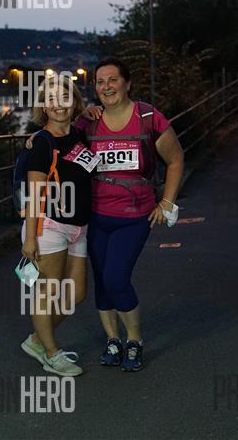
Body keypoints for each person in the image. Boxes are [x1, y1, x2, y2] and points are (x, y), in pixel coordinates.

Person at [81, 57, 184, 371]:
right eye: (100, 82)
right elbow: (57, 139)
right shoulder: (88, 122)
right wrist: (35, 140)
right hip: (95, 216)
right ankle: (113, 340)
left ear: (127, 83)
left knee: (116, 278)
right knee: (102, 281)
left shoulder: (149, 117)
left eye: (113, 80)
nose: (107, 87)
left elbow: (176, 159)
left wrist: (166, 202)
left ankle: (135, 340)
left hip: (134, 216)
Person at [20, 74, 98, 377]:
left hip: (79, 227)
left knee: (76, 294)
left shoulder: (80, 134)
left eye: (65, 98)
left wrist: (89, 113)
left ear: (74, 102)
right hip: (49, 226)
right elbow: (34, 194)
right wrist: (30, 238)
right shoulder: (41, 143)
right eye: (51, 99)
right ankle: (52, 354)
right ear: (44, 106)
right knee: (48, 292)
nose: (58, 104)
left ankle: (37, 340)